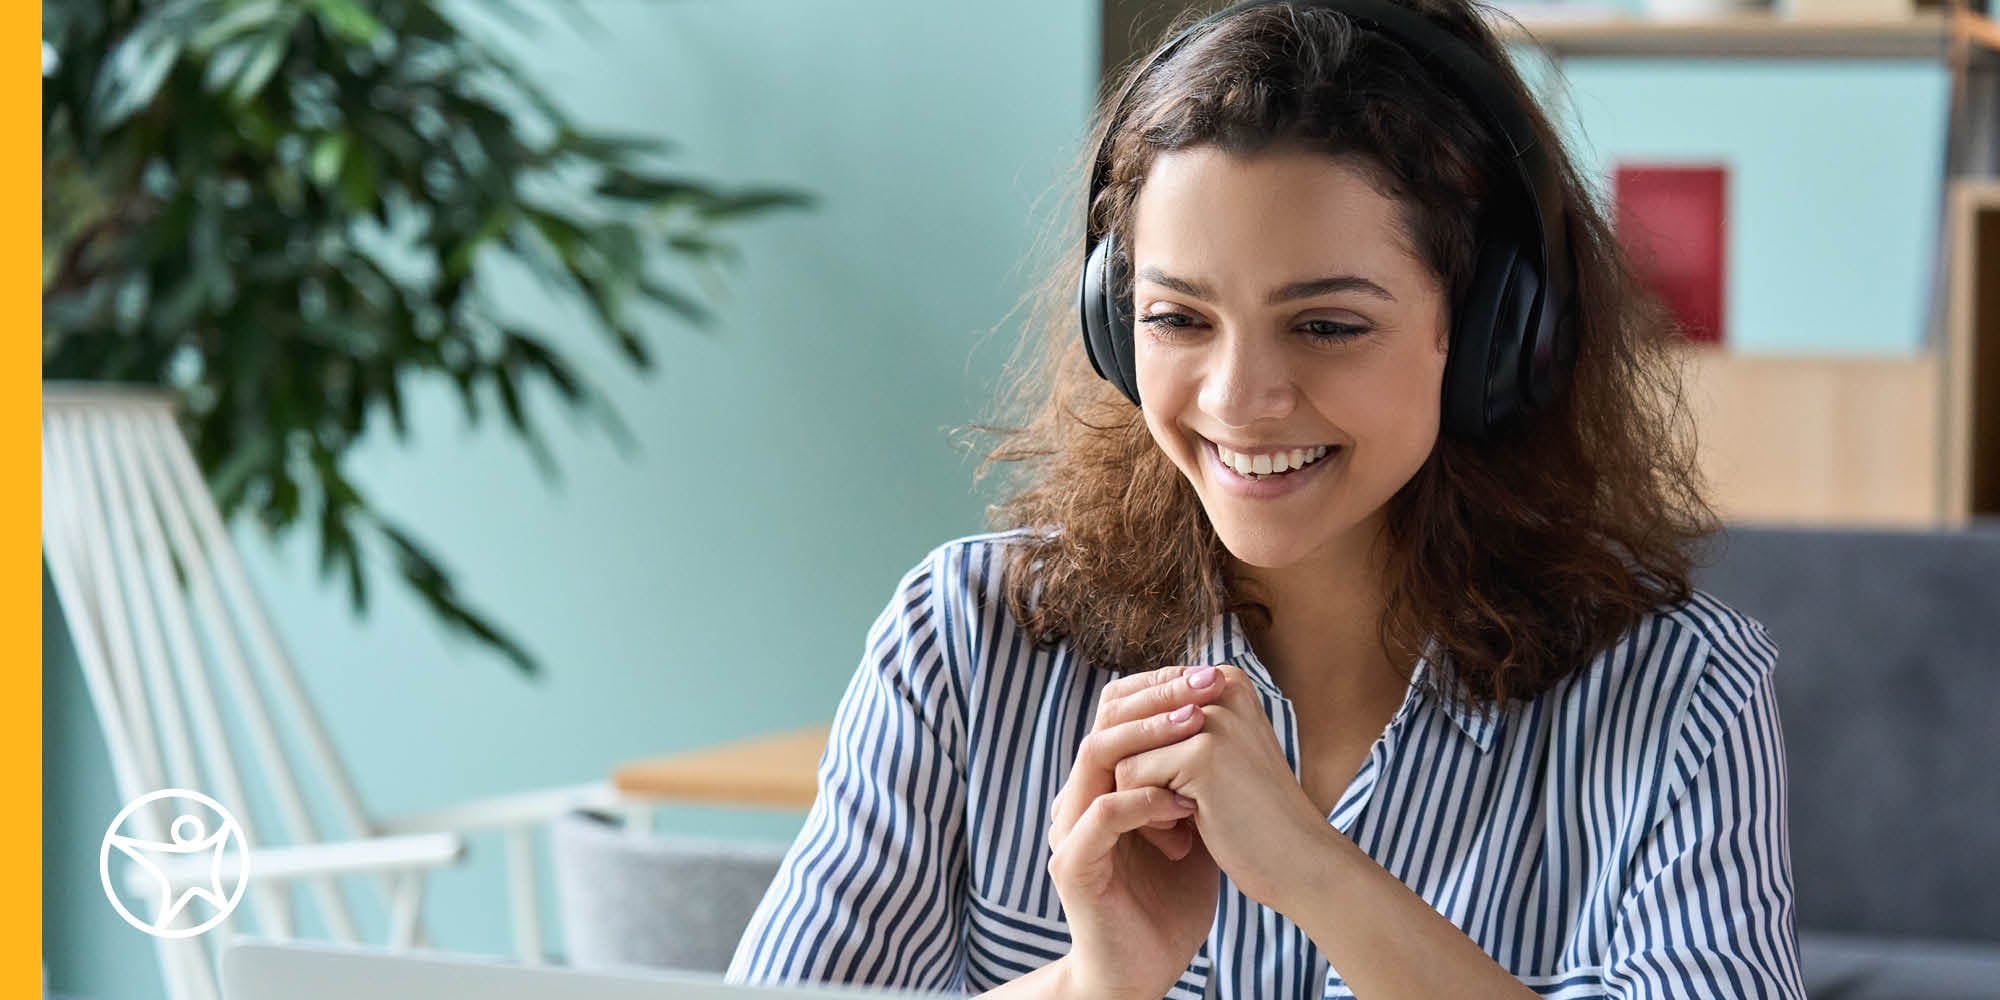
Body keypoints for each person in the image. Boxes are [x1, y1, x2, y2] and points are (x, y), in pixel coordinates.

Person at [725, 0, 1804, 996]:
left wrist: (1318, 876)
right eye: (1177, 320)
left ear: (1491, 339)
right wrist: (1087, 984)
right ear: (1115, 322)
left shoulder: (1678, 697)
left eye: (1326, 325)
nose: (1239, 399)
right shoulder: (965, 642)